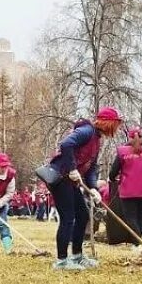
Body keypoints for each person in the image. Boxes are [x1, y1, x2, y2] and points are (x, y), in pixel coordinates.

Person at [45, 106, 123, 270]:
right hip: (61, 178)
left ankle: (77, 256)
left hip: (72, 181)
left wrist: (93, 188)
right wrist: (72, 168)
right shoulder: (87, 131)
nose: (116, 128)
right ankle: (61, 261)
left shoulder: (96, 139)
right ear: (107, 122)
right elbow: (66, 145)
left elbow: (91, 167)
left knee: (82, 216)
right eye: (115, 124)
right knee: (68, 218)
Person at [108, 126, 142, 242]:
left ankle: (136, 243)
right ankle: (138, 241)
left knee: (131, 217)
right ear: (141, 137)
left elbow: (113, 172)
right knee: (140, 217)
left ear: (129, 138)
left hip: (128, 190)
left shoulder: (122, 152)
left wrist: (113, 179)